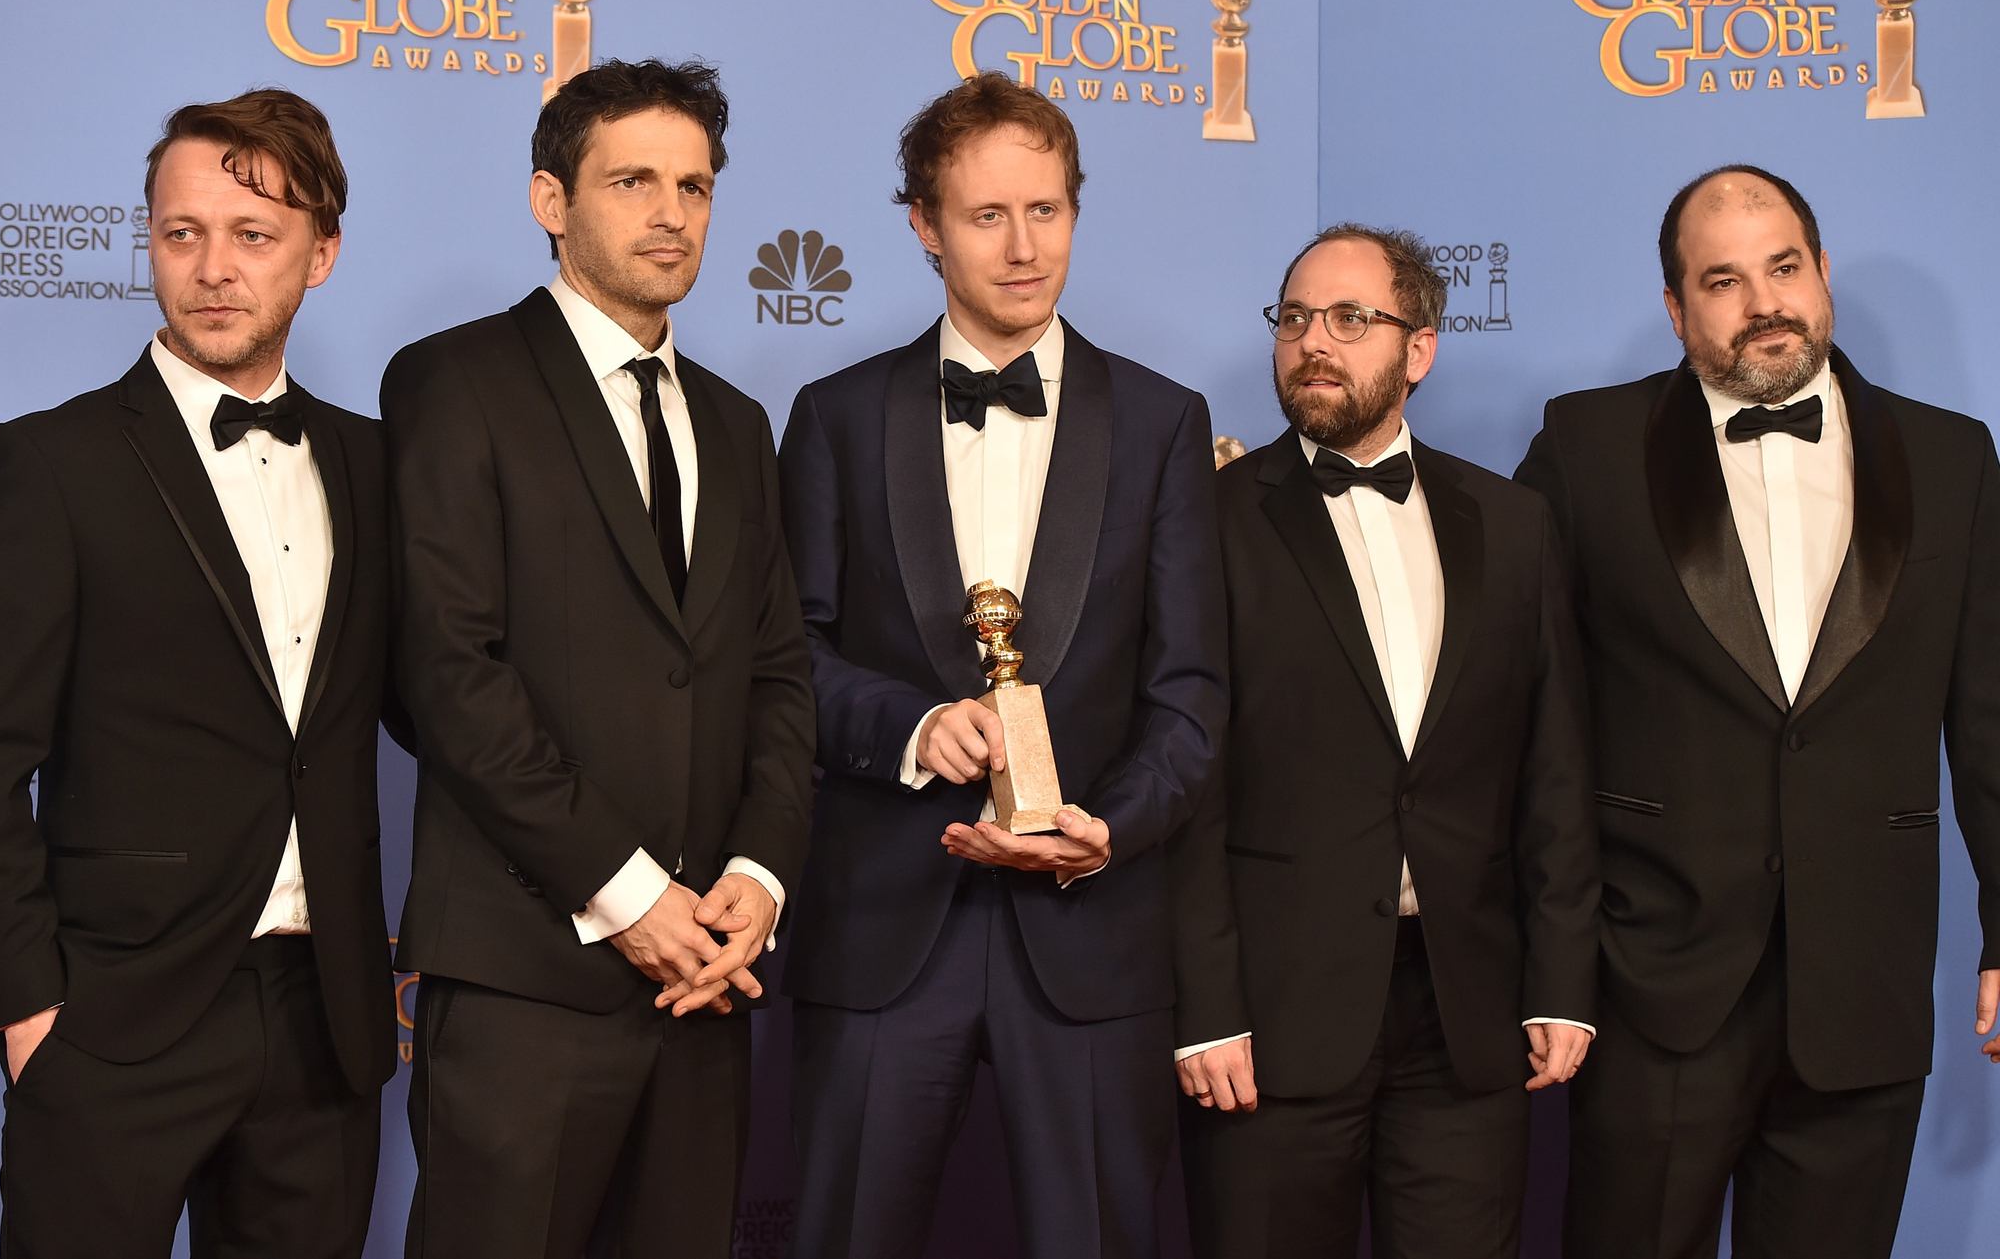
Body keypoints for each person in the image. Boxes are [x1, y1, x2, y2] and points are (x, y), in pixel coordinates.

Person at [778, 70, 1228, 1258]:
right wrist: (915, 728)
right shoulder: (831, 413)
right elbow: (786, 666)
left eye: (1048, 209)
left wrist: (1108, 826)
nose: (1024, 247)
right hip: (881, 929)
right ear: (923, 227)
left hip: (1088, 934)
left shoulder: (1163, 420)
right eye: (986, 216)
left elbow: (1188, 691)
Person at [1515, 164, 2000, 1259]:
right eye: (1721, 280)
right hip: (1650, 986)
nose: (1761, 301)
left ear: (1821, 273)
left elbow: (1988, 718)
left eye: (1782, 267)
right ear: (1676, 308)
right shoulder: (1584, 449)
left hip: (1862, 989)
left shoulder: (1951, 456)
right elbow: (1524, 715)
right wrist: (1547, 957)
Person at [0, 89, 399, 1257]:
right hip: (111, 1015)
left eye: (254, 236)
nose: (212, 268)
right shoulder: (44, 464)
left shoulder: (377, 461)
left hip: (329, 1019)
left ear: (323, 253)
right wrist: (27, 1006)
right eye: (180, 232)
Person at [382, 58, 814, 1258]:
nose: (671, 212)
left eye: (694, 184)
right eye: (632, 180)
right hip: (527, 977)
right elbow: (449, 674)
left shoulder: (736, 421)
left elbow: (778, 674)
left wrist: (759, 876)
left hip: (705, 986)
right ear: (549, 198)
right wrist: (628, 895)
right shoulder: (452, 380)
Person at [1174, 225, 1599, 1258]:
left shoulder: (1512, 522)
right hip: (1270, 1020)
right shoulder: (1203, 519)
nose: (1313, 341)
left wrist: (1559, 981)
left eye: (1349, 319)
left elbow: (1553, 766)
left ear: (1418, 349)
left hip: (1466, 1015)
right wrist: (1203, 1007)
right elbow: (1185, 784)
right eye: (1293, 318)